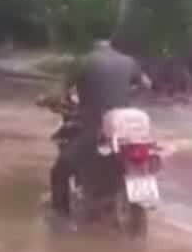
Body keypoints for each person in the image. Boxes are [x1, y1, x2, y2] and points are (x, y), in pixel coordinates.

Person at [49, 38, 151, 219]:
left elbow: (59, 93)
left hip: (95, 127)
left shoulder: (84, 61)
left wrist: (53, 101)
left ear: (93, 46)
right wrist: (129, 96)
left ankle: (60, 220)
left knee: (59, 171)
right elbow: (147, 84)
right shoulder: (129, 61)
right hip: (126, 129)